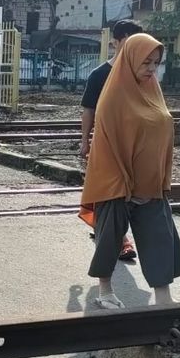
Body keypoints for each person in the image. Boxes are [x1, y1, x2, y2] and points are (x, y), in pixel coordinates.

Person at [81, 33, 180, 310]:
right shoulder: (114, 95)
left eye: (156, 62)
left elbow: (162, 130)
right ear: (130, 60)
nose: (152, 68)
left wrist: (159, 178)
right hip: (117, 182)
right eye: (146, 62)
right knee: (109, 238)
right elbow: (108, 144)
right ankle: (105, 291)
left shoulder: (153, 90)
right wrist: (125, 185)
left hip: (149, 183)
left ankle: (163, 297)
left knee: (159, 235)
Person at [78, 19, 145, 262]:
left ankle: (113, 235)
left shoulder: (142, 74)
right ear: (115, 42)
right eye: (127, 41)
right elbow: (88, 110)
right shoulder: (100, 75)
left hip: (135, 146)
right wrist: (85, 141)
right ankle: (116, 238)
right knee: (108, 191)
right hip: (105, 145)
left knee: (130, 193)